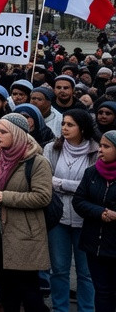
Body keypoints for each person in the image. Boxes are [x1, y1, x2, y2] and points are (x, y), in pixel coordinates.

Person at [0, 112, 53, 312]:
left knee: (29, 291)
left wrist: (4, 197)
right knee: (6, 290)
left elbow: (43, 196)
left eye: (3, 132)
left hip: (24, 234)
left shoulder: (37, 162)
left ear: (17, 133)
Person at [48, 109, 99, 312]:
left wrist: (60, 183)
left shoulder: (96, 151)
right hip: (58, 217)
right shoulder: (52, 148)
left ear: (83, 128)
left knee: (85, 272)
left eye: (70, 125)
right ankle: (60, 308)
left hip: (85, 218)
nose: (64, 128)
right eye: (63, 124)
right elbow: (46, 181)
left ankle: (87, 309)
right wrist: (74, 186)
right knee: (59, 269)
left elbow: (91, 186)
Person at [72, 130, 116, 312]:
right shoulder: (92, 172)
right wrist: (101, 212)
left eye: (106, 147)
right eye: (100, 146)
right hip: (95, 245)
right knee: (102, 291)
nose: (100, 150)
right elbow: (79, 201)